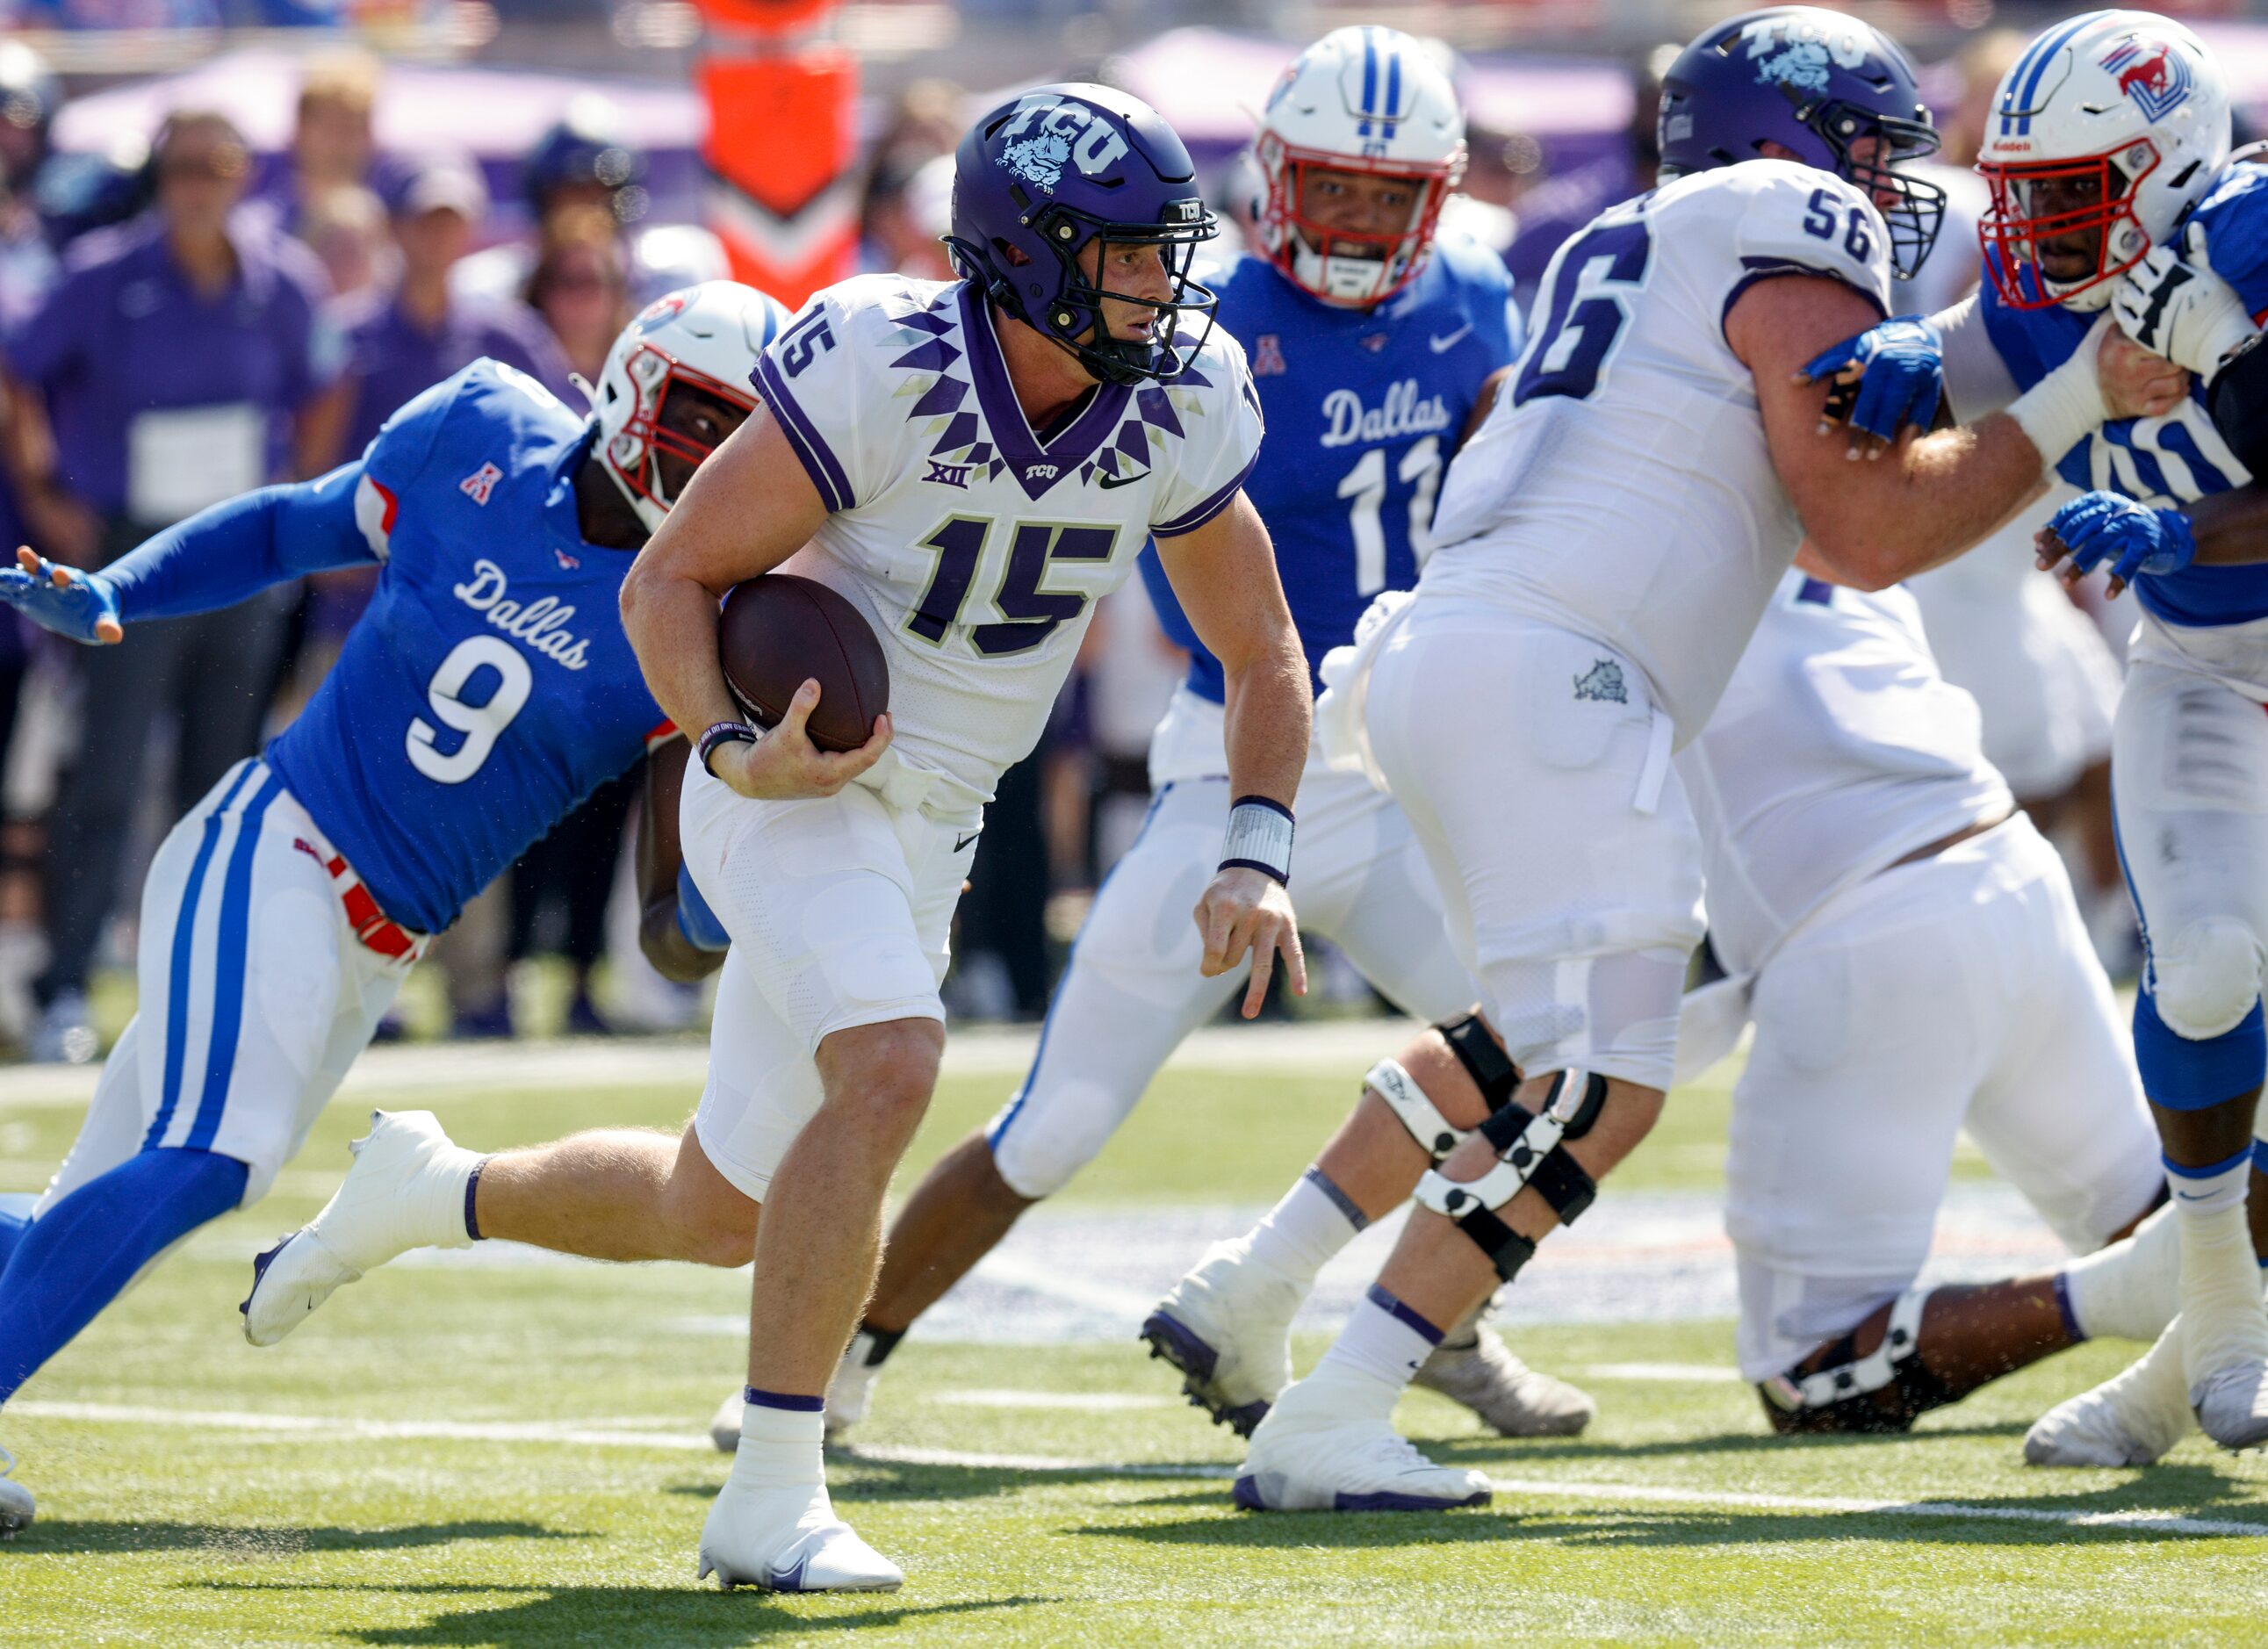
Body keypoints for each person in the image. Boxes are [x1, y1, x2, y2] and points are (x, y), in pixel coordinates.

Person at [238, 83, 1308, 1593]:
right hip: (792, 787)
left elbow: (1261, 649)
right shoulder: (878, 354)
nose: (1159, 281)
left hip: (931, 824)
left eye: (1162, 251)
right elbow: (667, 582)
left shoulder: (1178, 394)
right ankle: (772, 1485)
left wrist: (1256, 842)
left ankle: (431, 1187)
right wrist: (737, 748)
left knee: (715, 1206)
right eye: (1124, 253)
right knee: (892, 1063)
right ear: (1024, 252)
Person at [1225, 4, 2171, 1515]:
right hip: (1552, 670)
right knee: (1602, 1078)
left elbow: (1849, 445)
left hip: (1455, 657)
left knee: (1554, 1061)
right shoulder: (1776, 217)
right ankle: (1333, 1397)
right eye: (1866, 152)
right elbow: (1864, 531)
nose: (1879, 186)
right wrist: (2076, 399)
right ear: (1792, 148)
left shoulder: (1629, 242)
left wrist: (2038, 360)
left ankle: (1278, 1317)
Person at [749, 26, 1588, 1458]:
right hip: (1244, 760)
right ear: (1274, 178)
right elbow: (1240, 624)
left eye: (1394, 198)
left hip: (1419, 752)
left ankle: (1424, 1315)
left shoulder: (1467, 296)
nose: (1367, 226)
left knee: (1562, 1054)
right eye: (1338, 191)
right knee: (1056, 1122)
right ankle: (833, 1358)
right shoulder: (1183, 327)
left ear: (1440, 198)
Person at [0, 280, 781, 1536]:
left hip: (375, 945)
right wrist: (119, 592)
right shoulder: (479, 426)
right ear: (635, 384)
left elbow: (672, 895)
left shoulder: (702, 608)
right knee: (215, 1157)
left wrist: (731, 871)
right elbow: (287, 530)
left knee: (90, 1207)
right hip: (278, 845)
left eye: (745, 434)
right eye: (703, 416)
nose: (714, 455)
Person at [1158, 569, 2171, 1442]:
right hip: (2006, 866)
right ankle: (1293, 1291)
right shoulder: (1812, 492)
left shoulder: (1655, 520)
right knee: (2178, 1223)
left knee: (1807, 1361)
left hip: (1857, 931)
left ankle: (1309, 1311)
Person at [1820, 9, 2268, 1464]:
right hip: (2204, 662)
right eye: (2020, 192)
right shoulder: (2038, 286)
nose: (2036, 226)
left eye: (2071, 194)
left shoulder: (2248, 245)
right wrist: (1910, 352)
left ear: (2169, 166)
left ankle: (2165, 1372)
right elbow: (1981, 347)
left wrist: (2176, 523)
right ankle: (2211, 1303)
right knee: (2198, 969)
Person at [5, 109, 343, 1065]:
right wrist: (42, 492)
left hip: (238, 554)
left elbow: (328, 380)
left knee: (223, 780)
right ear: (161, 175)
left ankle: (196, 987)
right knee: (106, 770)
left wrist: (298, 505)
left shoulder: (281, 277)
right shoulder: (105, 275)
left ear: (241, 176)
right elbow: (19, 374)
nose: (199, 183)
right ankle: (64, 983)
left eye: (217, 165)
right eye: (183, 165)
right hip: (133, 552)